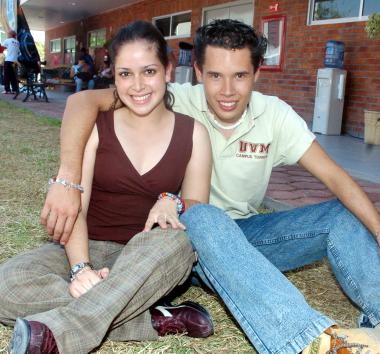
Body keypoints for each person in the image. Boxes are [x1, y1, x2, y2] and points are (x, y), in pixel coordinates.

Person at [40, 19, 380, 353]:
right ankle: (307, 341)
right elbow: (81, 102)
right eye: (215, 76)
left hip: (243, 237)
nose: (227, 91)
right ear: (199, 73)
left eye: (240, 76)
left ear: (257, 74)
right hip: (186, 241)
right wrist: (68, 179)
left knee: (342, 215)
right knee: (202, 215)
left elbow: (336, 177)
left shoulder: (276, 115)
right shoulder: (163, 96)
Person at [0, 20, 213, 354]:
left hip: (148, 257)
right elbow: (76, 207)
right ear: (113, 75)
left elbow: (198, 204)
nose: (138, 85)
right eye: (126, 74)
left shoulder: (194, 133)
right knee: (6, 286)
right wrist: (81, 269)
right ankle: (152, 318)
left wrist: (174, 200)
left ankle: (61, 335)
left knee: (180, 243)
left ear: (168, 70)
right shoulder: (98, 126)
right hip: (88, 245)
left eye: (149, 71)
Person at [1, 30, 20, 94]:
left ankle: (7, 90)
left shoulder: (8, 40)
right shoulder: (17, 42)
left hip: (8, 60)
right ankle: (14, 90)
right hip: (15, 62)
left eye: (8, 33)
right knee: (13, 76)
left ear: (11, 34)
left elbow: (1, 49)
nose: (7, 35)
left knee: (6, 75)